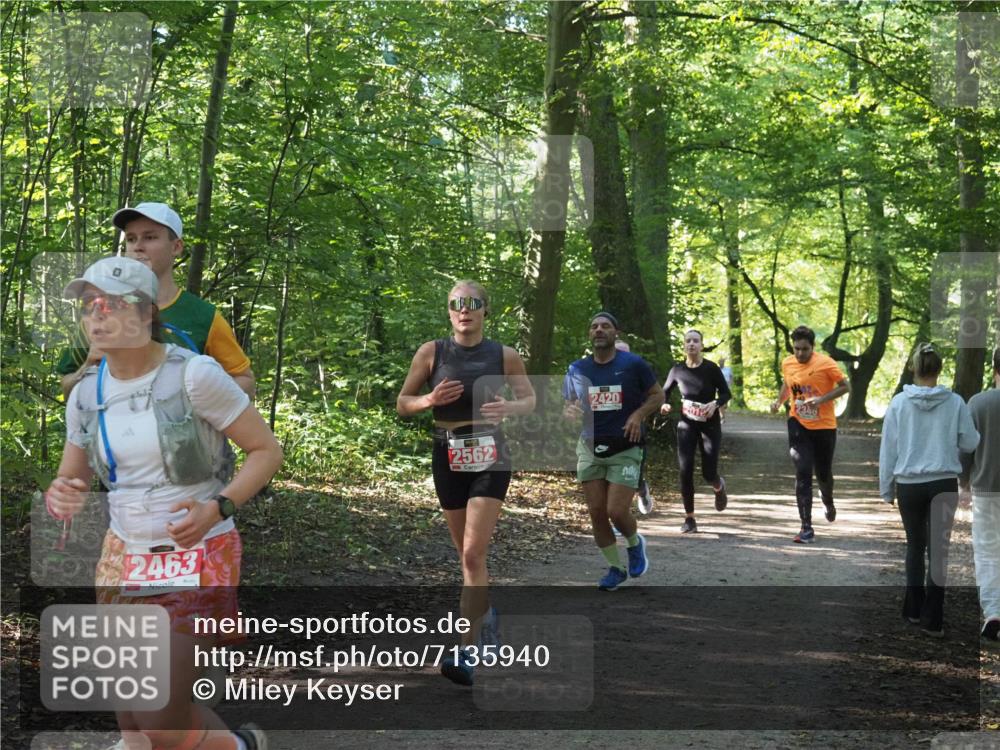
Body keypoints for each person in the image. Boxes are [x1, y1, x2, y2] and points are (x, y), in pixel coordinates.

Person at [45, 256, 283, 750]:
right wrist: (63, 494)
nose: (97, 314)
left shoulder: (194, 375)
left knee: (158, 718)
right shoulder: (86, 394)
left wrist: (218, 506)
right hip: (122, 556)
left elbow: (266, 451)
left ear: (147, 311)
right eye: (89, 304)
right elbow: (73, 478)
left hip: (197, 553)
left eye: (112, 303)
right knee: (134, 724)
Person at [396, 281, 535, 685]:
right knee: (466, 557)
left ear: (485, 311)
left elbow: (529, 399)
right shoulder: (431, 352)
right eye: (457, 304)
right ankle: (487, 617)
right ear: (449, 311)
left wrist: (510, 406)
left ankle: (466, 651)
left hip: (491, 453)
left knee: (473, 554)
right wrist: (428, 401)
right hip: (447, 452)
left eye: (473, 304)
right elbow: (403, 403)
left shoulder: (504, 355)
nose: (465, 310)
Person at [57, 202, 255, 399]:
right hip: (112, 427)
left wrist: (195, 405)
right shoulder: (99, 313)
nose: (138, 247)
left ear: (176, 247)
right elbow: (67, 388)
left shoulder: (203, 316)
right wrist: (87, 368)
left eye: (150, 237)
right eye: (131, 239)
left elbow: (245, 381)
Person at [879, 343, 979, 637]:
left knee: (915, 546)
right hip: (943, 482)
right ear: (940, 369)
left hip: (909, 485)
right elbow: (970, 442)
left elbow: (889, 448)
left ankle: (912, 609)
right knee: (939, 552)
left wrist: (886, 488)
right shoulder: (956, 403)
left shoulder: (899, 403)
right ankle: (933, 619)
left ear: (913, 368)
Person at [563, 312, 663, 590]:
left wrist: (638, 415)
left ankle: (634, 543)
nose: (599, 330)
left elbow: (658, 395)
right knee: (596, 511)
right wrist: (570, 412)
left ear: (615, 333)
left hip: (625, 446)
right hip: (589, 445)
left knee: (616, 511)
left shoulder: (633, 364)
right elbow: (569, 404)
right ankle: (615, 568)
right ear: (589, 334)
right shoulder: (577, 369)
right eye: (594, 326)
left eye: (605, 326)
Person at [770, 326, 850, 544]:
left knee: (823, 474)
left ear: (812, 347)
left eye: (804, 349)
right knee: (803, 470)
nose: (799, 354)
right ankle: (806, 527)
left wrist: (822, 400)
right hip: (798, 423)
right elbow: (787, 384)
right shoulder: (787, 363)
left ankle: (827, 498)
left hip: (824, 426)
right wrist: (779, 401)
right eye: (796, 349)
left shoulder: (826, 363)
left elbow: (845, 387)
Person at [660, 329, 731, 533]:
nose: (692, 344)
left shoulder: (711, 368)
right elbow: (663, 393)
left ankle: (719, 487)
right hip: (687, 425)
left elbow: (726, 393)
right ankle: (689, 518)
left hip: (710, 424)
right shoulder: (677, 370)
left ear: (701, 345)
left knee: (709, 473)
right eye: (688, 341)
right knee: (685, 471)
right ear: (684, 345)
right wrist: (664, 405)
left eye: (696, 341)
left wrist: (716, 403)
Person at [962, 346, 1000, 640]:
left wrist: (962, 482)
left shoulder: (977, 403)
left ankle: (993, 611)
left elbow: (966, 448)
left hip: (986, 489)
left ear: (994, 369)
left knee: (987, 553)